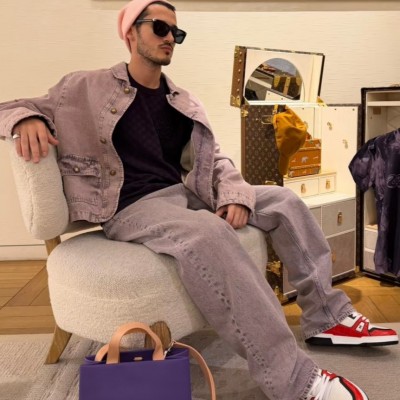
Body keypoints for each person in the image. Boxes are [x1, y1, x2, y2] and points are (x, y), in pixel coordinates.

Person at [0, 1, 397, 398]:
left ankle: (327, 316)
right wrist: (25, 118)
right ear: (130, 32)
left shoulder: (180, 99)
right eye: (160, 28)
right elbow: (9, 107)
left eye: (176, 32)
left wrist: (234, 194)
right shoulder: (84, 87)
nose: (170, 38)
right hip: (131, 206)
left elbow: (215, 159)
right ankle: (295, 380)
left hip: (185, 193)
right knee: (209, 232)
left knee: (283, 201)